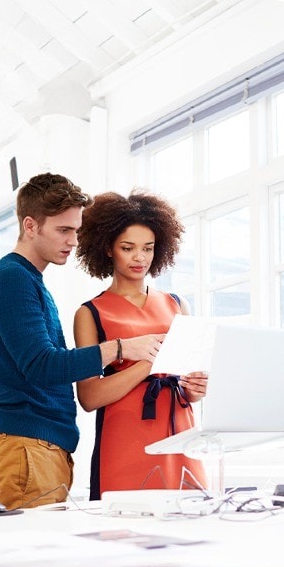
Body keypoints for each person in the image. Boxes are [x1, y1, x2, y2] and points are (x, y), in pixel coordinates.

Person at [0, 173, 161, 510]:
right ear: (30, 226)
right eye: (63, 230)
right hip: (25, 451)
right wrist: (121, 348)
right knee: (26, 562)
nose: (73, 241)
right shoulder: (11, 279)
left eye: (75, 230)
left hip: (38, 451)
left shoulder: (29, 280)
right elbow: (42, 365)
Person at [74, 190, 208, 500]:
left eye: (148, 248)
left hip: (181, 434)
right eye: (128, 248)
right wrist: (152, 363)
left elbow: (187, 385)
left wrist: (195, 389)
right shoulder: (90, 313)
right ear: (107, 248)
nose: (140, 258)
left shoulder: (178, 304)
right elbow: (90, 397)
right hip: (125, 440)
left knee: (189, 523)